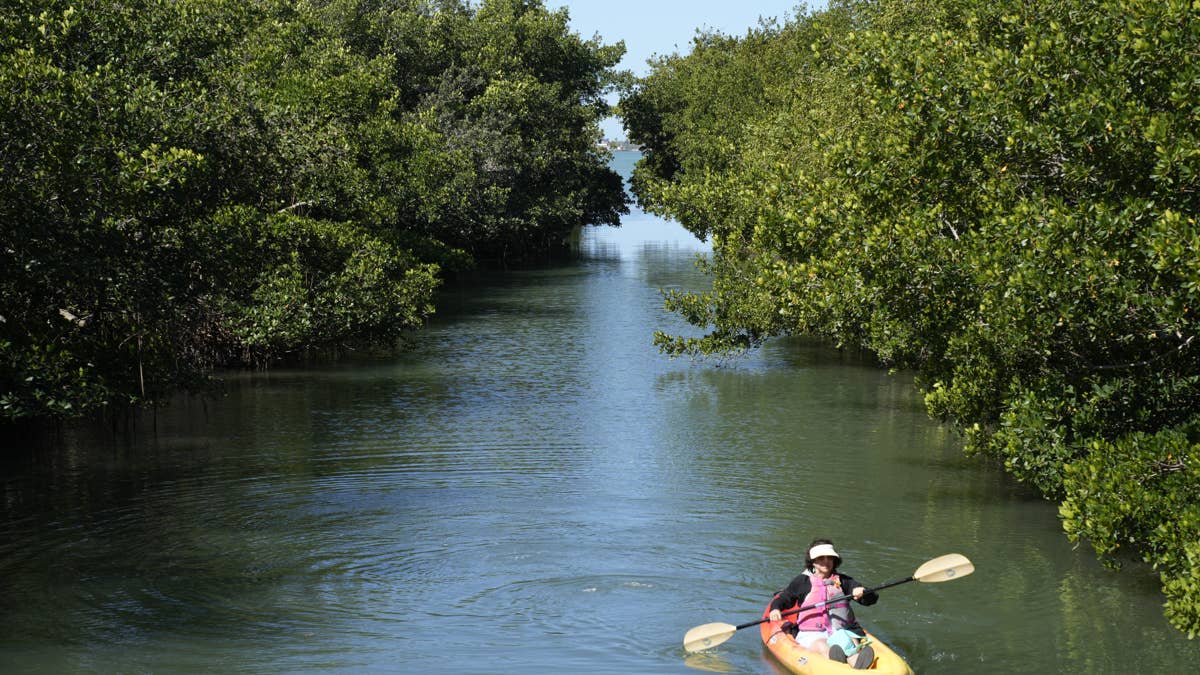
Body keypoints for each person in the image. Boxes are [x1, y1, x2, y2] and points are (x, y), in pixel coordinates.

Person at [768, 539, 878, 669]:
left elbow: (871, 599)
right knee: (822, 645)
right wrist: (775, 608)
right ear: (813, 561)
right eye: (821, 558)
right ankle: (836, 661)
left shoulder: (844, 581)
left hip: (840, 630)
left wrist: (863, 592)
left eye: (829, 558)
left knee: (849, 643)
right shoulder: (802, 581)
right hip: (812, 633)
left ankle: (857, 664)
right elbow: (785, 598)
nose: (826, 562)